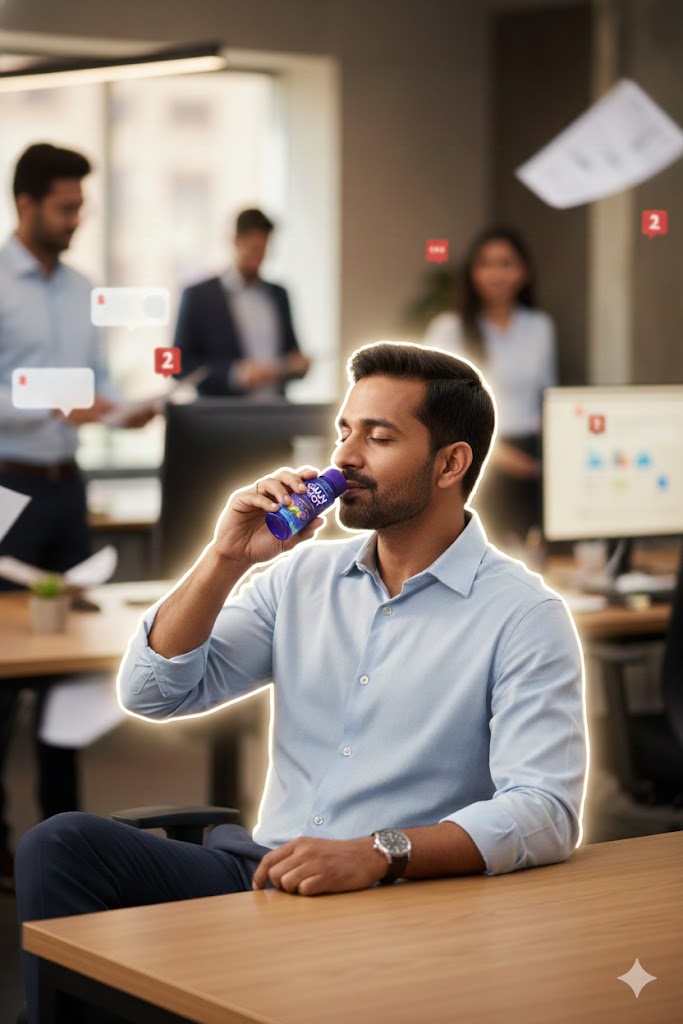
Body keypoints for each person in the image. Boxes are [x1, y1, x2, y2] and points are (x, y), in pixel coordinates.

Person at [15, 342, 588, 1024]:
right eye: (345, 431)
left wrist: (379, 855)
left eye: (379, 437)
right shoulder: (299, 577)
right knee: (61, 844)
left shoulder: (522, 615)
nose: (344, 457)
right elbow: (153, 692)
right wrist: (225, 557)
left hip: (395, 895)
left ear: (450, 463)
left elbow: (544, 811)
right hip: (264, 869)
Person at [0, 143, 155, 894]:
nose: (75, 220)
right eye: (65, 207)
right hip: (6, 488)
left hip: (66, 489)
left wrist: (126, 409)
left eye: (80, 207)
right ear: (25, 204)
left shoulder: (84, 287)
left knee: (71, 670)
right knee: (3, 673)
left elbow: (95, 386)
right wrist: (47, 399)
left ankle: (62, 833)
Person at [424, 226, 557, 545]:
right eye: (485, 264)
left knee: (533, 550)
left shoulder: (539, 326)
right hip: (474, 452)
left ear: (525, 272)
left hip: (532, 457)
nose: (495, 273)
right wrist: (501, 456)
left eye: (506, 263)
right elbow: (437, 406)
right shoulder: (450, 328)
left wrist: (544, 458)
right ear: (472, 273)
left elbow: (547, 395)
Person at [173, 207, 310, 398]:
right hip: (223, 417)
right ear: (236, 242)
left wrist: (298, 365)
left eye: (263, 250)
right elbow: (178, 365)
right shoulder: (199, 296)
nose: (259, 259)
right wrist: (235, 374)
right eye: (253, 249)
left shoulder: (279, 295)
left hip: (276, 414)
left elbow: (291, 352)